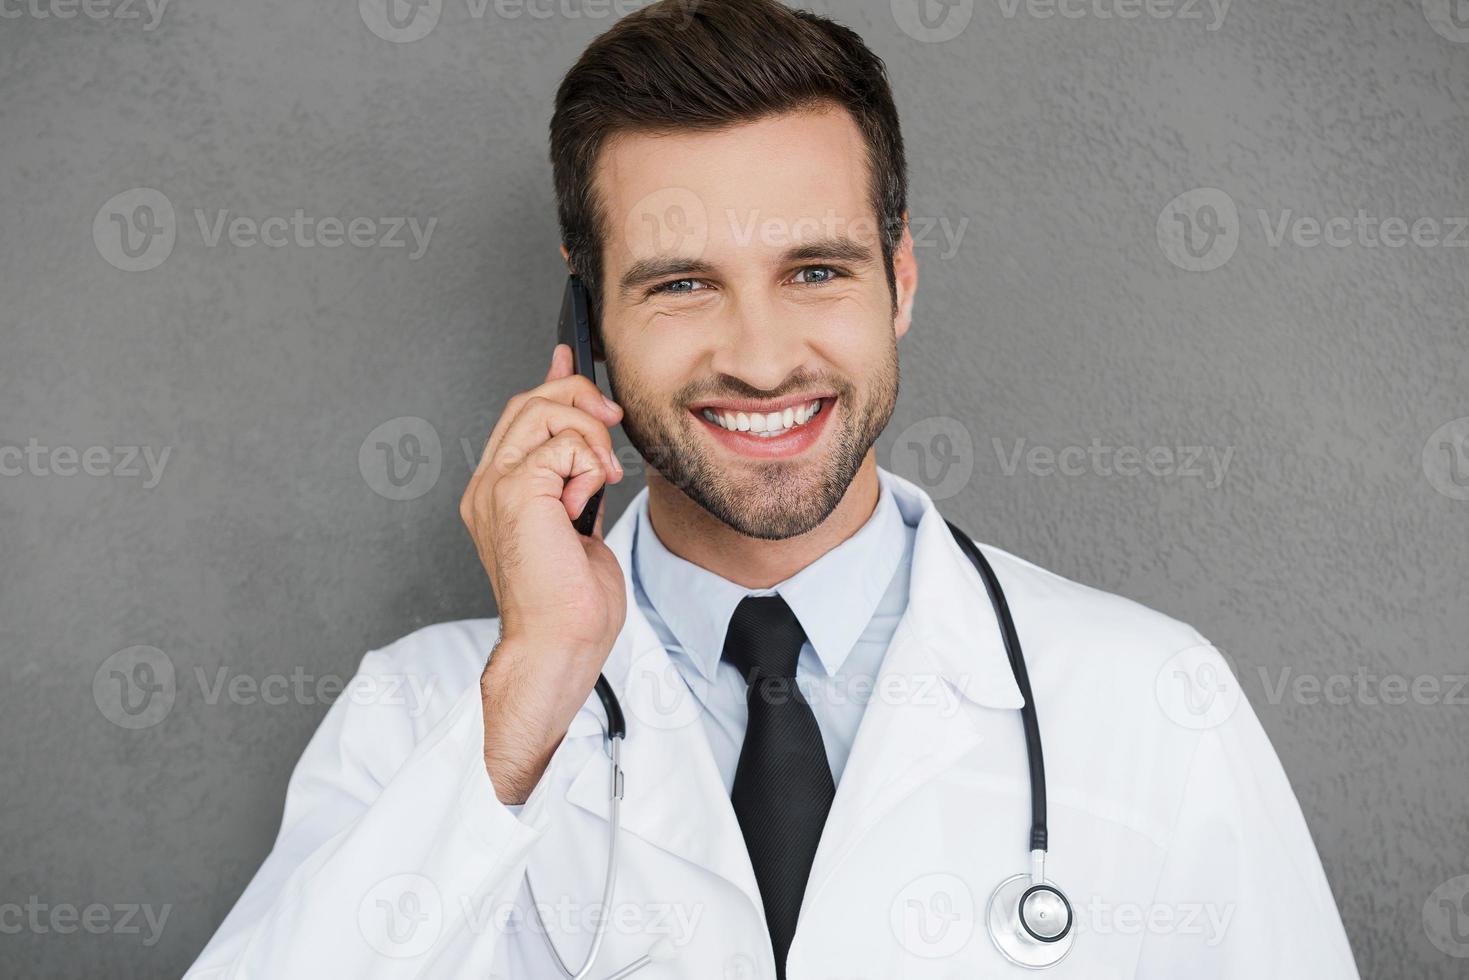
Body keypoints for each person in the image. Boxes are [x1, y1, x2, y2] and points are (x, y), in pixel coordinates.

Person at [185, 1, 1359, 976]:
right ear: (587, 313)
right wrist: (531, 693)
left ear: (896, 277)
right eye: (682, 283)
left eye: (813, 269)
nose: (757, 355)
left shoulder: (1152, 702)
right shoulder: (422, 713)